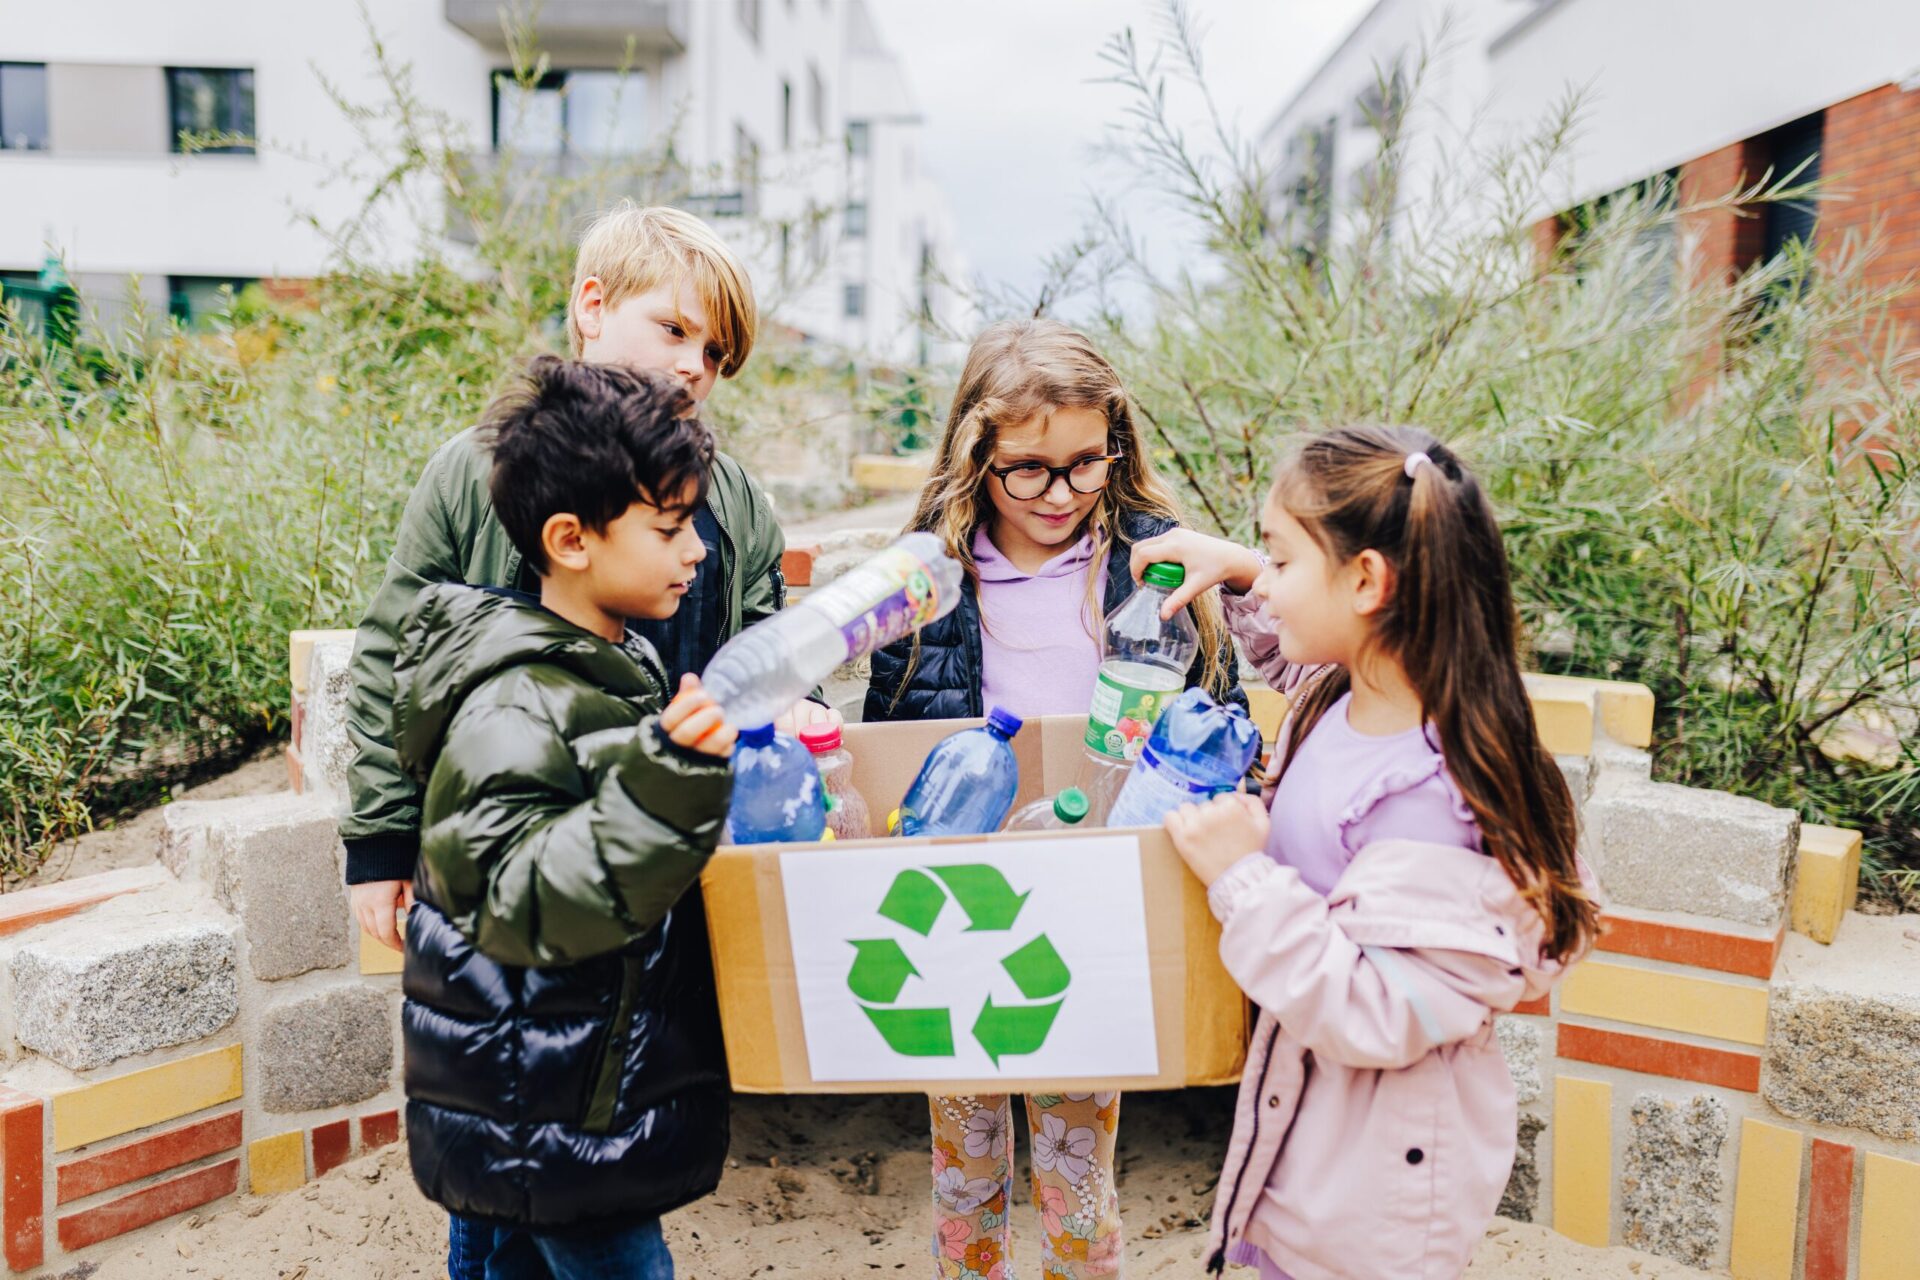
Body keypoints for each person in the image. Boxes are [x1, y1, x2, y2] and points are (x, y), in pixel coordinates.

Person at [1136, 424, 1599, 1279]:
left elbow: (1379, 1009)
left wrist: (1242, 876)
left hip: (1373, 1193)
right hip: (1313, 1137)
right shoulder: (1348, 696)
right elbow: (1293, 646)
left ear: (1367, 580)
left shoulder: (1425, 795)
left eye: (1280, 561)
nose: (1266, 586)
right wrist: (1237, 566)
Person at [344, 202, 834, 954]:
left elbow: (774, 654)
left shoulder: (734, 501)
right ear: (593, 306)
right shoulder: (476, 473)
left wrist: (802, 714)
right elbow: (394, 655)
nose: (691, 367)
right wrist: (383, 838)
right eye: (675, 329)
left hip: (688, 853)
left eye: (714, 355)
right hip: (518, 854)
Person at [865, 317, 1246, 1280]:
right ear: (975, 456)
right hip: (960, 906)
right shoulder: (926, 577)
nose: (1062, 493)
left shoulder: (1157, 565)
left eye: (1087, 465)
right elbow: (892, 746)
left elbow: (1220, 721)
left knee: (1079, 1169)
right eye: (1027, 469)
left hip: (1093, 901)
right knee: (963, 1165)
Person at [394, 358, 738, 1279]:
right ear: (571, 540)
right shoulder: (514, 706)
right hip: (545, 1110)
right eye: (669, 527)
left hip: (551, 1089)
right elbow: (521, 900)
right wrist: (670, 784)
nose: (696, 549)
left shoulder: (610, 669)